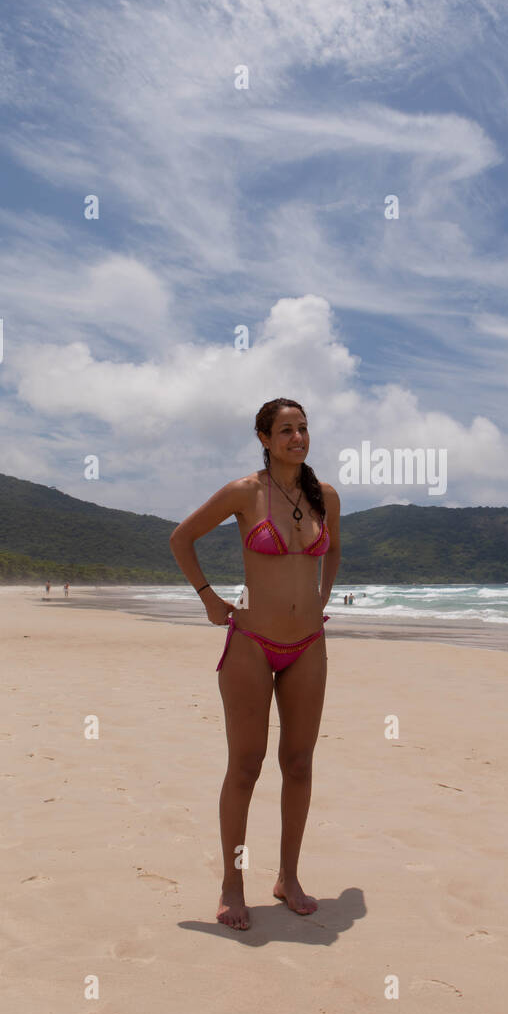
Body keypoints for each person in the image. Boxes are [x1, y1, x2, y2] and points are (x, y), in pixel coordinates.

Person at [169, 398, 340, 930]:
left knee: (300, 764)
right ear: (264, 438)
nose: (298, 437)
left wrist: (322, 598)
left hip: (308, 645)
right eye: (286, 430)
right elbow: (182, 538)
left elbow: (332, 552)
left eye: (303, 428)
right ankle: (232, 883)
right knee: (246, 766)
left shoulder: (325, 496)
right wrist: (208, 598)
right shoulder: (246, 492)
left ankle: (288, 877)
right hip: (251, 644)